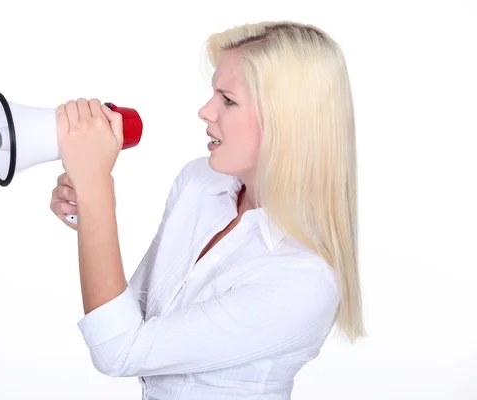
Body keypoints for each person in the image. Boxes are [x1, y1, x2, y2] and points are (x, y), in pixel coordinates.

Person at [50, 20, 365, 400]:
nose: (205, 110)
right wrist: (91, 207)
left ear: (287, 121)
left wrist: (96, 191)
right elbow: (130, 318)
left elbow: (120, 351)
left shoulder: (304, 280)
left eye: (227, 100)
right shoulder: (200, 184)